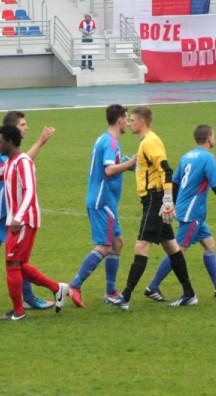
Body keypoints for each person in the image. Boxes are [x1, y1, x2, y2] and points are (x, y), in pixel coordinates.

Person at [0, 126, 69, 321]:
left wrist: (18, 217)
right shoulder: (10, 163)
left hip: (23, 222)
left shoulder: (24, 163)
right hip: (17, 221)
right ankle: (58, 289)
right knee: (19, 265)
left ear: (10, 142)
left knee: (12, 263)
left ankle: (19, 312)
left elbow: (30, 190)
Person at [146, 125, 216, 299]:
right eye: (214, 135)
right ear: (209, 138)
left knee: (209, 244)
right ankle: (152, 287)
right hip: (192, 213)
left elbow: (175, 182)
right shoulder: (208, 158)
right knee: (178, 250)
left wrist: (171, 203)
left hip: (187, 209)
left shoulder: (186, 156)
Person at [117, 107, 196, 310]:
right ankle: (189, 293)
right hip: (154, 199)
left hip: (155, 200)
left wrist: (167, 199)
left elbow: (165, 169)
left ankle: (125, 296)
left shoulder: (150, 142)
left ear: (142, 122)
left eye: (132, 120)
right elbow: (150, 169)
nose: (128, 123)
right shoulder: (146, 142)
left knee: (141, 247)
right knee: (171, 247)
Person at [68, 104, 136, 308]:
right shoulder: (111, 142)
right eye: (126, 118)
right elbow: (109, 170)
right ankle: (74, 286)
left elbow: (113, 163)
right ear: (120, 120)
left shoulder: (105, 139)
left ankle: (110, 291)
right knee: (105, 246)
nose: (128, 122)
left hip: (105, 200)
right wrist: (130, 163)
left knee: (117, 243)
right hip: (102, 200)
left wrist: (131, 164)